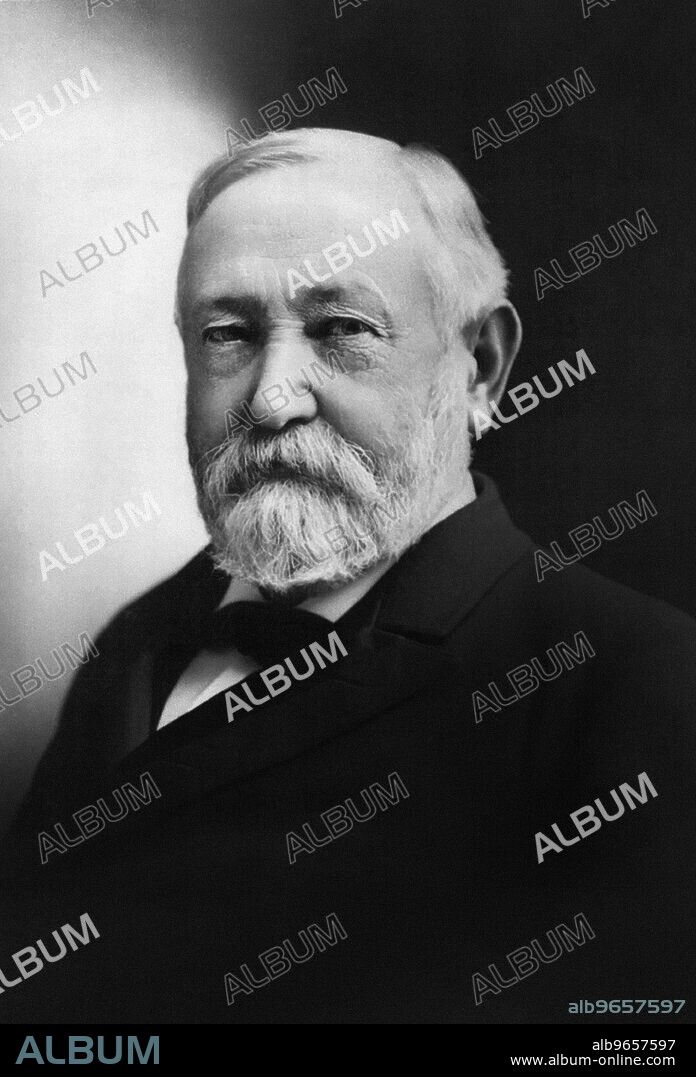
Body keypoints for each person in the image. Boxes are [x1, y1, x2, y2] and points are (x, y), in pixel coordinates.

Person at [3, 128, 694, 1024]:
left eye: (342, 330)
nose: (270, 397)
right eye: (228, 334)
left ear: (482, 367)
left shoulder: (637, 680)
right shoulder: (138, 638)